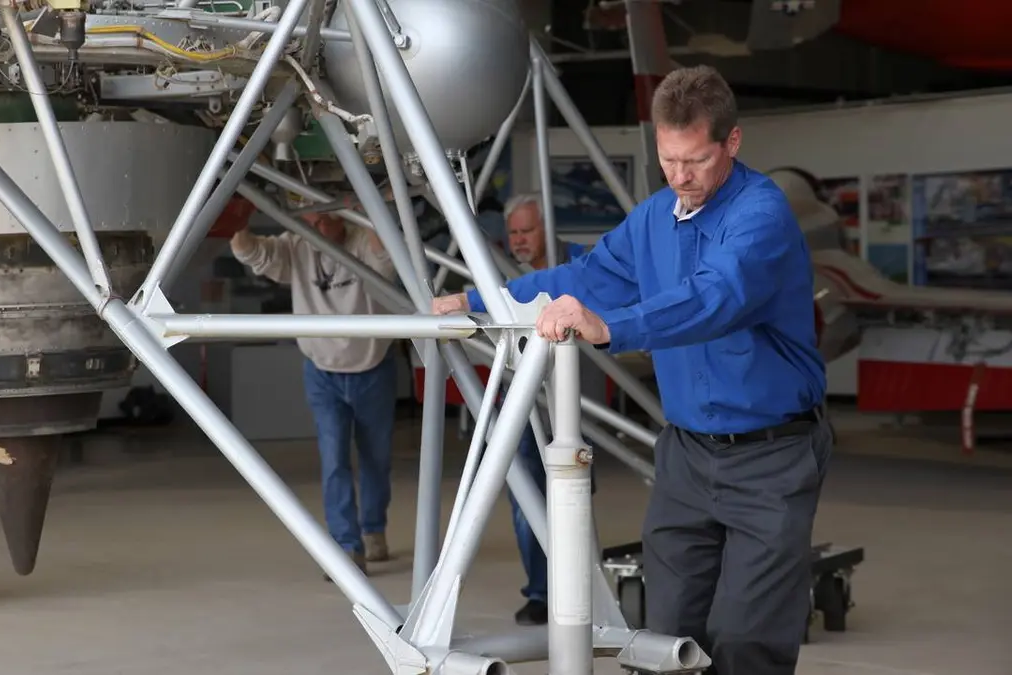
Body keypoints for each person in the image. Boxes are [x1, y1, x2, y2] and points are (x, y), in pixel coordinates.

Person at [432, 65, 830, 675]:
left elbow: (715, 296)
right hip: (686, 456)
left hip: (770, 458)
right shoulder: (653, 218)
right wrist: (480, 300)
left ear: (732, 142)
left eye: (696, 161)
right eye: (669, 160)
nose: (680, 177)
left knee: (747, 639)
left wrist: (612, 327)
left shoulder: (761, 215)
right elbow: (586, 277)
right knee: (664, 637)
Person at [230, 211, 398, 577]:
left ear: (341, 214)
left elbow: (385, 260)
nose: (316, 226)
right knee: (333, 458)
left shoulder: (362, 240)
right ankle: (346, 547)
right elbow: (251, 252)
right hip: (322, 372)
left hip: (373, 366)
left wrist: (374, 206)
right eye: (308, 218)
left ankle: (373, 530)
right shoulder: (297, 245)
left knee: (376, 458)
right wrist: (235, 214)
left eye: (323, 217)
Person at [492, 192, 588, 626]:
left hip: (575, 401)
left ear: (548, 227)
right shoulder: (498, 275)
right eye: (513, 232)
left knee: (576, 495)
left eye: (527, 230)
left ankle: (580, 586)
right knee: (526, 498)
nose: (519, 240)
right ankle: (540, 592)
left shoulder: (583, 264)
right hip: (522, 402)